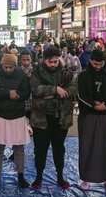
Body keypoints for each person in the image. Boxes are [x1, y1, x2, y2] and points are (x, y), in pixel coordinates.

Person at [29, 47, 78, 189]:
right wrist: (56, 89)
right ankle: (38, 177)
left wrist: (60, 93)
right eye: (50, 62)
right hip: (41, 119)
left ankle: (60, 176)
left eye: (55, 61)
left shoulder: (67, 73)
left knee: (59, 149)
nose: (53, 64)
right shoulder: (37, 72)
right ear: (44, 60)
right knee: (40, 150)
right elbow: (35, 89)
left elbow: (74, 87)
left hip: (61, 119)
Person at [0, 54, 31, 188]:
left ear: (15, 65)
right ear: (2, 65)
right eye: (6, 67)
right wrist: (8, 93)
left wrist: (17, 95)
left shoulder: (22, 75)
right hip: (0, 115)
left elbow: (26, 93)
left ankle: (20, 175)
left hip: (17, 115)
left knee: (19, 148)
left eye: (11, 67)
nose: (8, 70)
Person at [77, 49, 106, 190]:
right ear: (90, 61)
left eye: (101, 64)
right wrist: (93, 106)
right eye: (95, 63)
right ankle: (86, 179)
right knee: (86, 147)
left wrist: (105, 105)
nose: (98, 66)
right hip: (88, 116)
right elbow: (79, 95)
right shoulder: (82, 76)